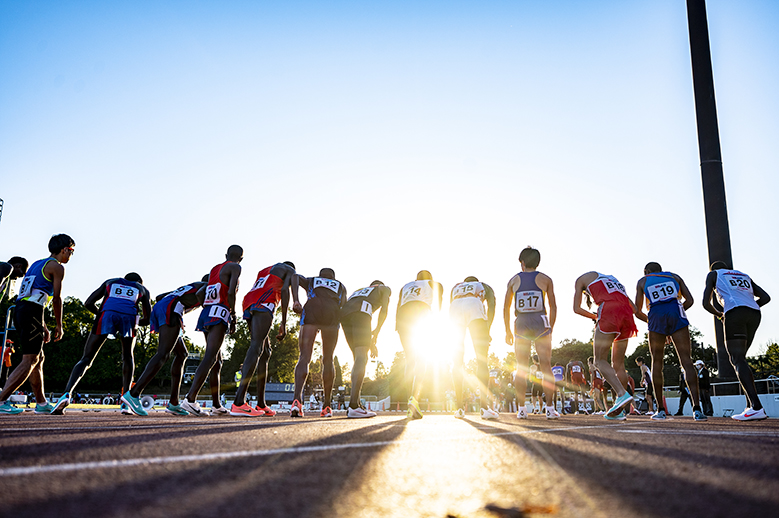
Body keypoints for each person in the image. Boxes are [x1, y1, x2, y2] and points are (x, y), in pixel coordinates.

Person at [52, 273, 151, 414]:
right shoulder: (142, 289)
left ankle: (66, 394)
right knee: (127, 357)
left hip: (106, 314)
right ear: (139, 282)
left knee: (86, 359)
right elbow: (148, 318)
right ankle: (126, 400)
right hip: (129, 317)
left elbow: (88, 303)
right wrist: (133, 322)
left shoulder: (110, 282)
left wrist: (101, 314)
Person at [0, 234, 74, 415]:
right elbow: (56, 299)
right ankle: (1, 400)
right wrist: (59, 325)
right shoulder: (57, 267)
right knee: (30, 359)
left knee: (38, 358)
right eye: (71, 251)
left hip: (24, 310)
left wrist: (44, 326)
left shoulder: (36, 264)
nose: (71, 256)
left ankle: (41, 402)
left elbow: (33, 295)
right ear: (64, 249)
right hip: (31, 312)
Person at [121, 277, 208, 416]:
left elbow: (159, 296)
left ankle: (173, 403)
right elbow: (200, 294)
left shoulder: (189, 286)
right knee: (163, 353)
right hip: (171, 309)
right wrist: (206, 309)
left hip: (164, 307)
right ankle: (133, 393)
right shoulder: (208, 286)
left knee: (181, 354)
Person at [634, 262, 705, 421]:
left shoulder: (643, 281)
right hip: (676, 310)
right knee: (687, 360)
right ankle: (697, 409)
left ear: (646, 271)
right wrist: (675, 314)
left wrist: (653, 322)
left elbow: (637, 311)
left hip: (656, 314)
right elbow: (690, 300)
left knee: (657, 362)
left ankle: (660, 410)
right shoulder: (674, 276)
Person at [231, 262, 302, 417]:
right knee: (256, 346)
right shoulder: (290, 270)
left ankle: (261, 404)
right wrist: (283, 322)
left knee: (265, 352)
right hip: (264, 301)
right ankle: (238, 402)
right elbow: (284, 290)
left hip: (249, 301)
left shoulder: (265, 270)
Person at [702, 262, 771, 421]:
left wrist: (720, 314)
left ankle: (757, 407)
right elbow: (766, 297)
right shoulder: (743, 274)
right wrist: (750, 305)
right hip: (754, 314)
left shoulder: (714, 275)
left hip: (735, 312)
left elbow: (706, 303)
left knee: (737, 359)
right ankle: (750, 406)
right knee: (742, 359)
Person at [180, 245, 243, 416]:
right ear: (241, 258)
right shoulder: (235, 267)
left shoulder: (215, 268)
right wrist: (233, 314)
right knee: (210, 356)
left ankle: (216, 405)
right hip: (220, 311)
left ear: (225, 255)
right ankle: (190, 399)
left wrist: (206, 306)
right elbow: (231, 292)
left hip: (207, 311)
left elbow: (201, 292)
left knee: (217, 360)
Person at [504, 247, 559, 419]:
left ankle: (521, 409)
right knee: (546, 366)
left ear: (522, 263)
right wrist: (551, 327)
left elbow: (505, 307)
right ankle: (549, 409)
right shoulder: (546, 279)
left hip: (521, 323)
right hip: (540, 322)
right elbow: (553, 306)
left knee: (521, 368)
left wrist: (507, 330)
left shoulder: (513, 280)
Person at [573, 272, 637, 420]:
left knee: (599, 360)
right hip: (626, 314)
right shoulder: (614, 279)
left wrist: (596, 317)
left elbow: (576, 309)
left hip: (608, 310)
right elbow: (633, 308)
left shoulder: (581, 279)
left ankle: (621, 394)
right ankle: (619, 409)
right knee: (619, 365)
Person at [291, 268, 347, 418]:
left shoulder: (312, 280)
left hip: (312, 308)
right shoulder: (340, 286)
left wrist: (296, 299)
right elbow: (344, 307)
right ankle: (327, 406)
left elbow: (295, 276)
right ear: (333, 277)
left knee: (304, 357)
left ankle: (297, 401)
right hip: (332, 312)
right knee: (328, 359)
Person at [340, 280, 392, 418]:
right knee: (362, 358)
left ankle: (356, 403)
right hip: (361, 311)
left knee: (358, 358)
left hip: (344, 314)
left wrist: (371, 343)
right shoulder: (384, 289)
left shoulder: (359, 290)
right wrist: (377, 330)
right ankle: (353, 406)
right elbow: (384, 310)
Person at [449, 276, 498, 420]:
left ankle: (459, 409)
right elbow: (492, 306)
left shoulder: (456, 287)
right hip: (474, 305)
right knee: (481, 359)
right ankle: (484, 408)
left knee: (457, 362)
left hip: (455, 308)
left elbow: (452, 307)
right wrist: (487, 330)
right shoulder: (483, 285)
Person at [396, 270, 443, 419]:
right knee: (422, 359)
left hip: (403, 316)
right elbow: (438, 305)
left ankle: (409, 398)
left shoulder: (405, 286)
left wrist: (397, 325)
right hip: (421, 312)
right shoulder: (434, 284)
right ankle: (414, 398)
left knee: (409, 360)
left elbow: (398, 306)